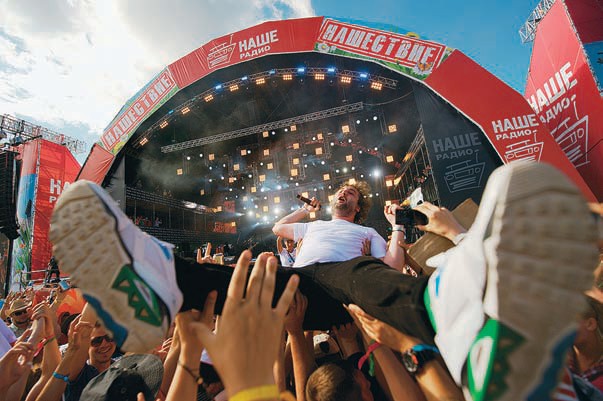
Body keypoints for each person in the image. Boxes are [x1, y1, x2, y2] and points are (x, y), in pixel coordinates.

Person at [49, 161, 600, 400]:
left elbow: (389, 272)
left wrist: (394, 230)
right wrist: (305, 210)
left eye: (352, 196)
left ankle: (462, 320)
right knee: (250, 275)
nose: (345, 196)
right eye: (342, 193)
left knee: (360, 275)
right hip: (303, 284)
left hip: (347, 286)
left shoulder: (365, 234)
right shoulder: (312, 224)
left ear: (359, 208)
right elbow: (277, 230)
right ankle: (157, 279)